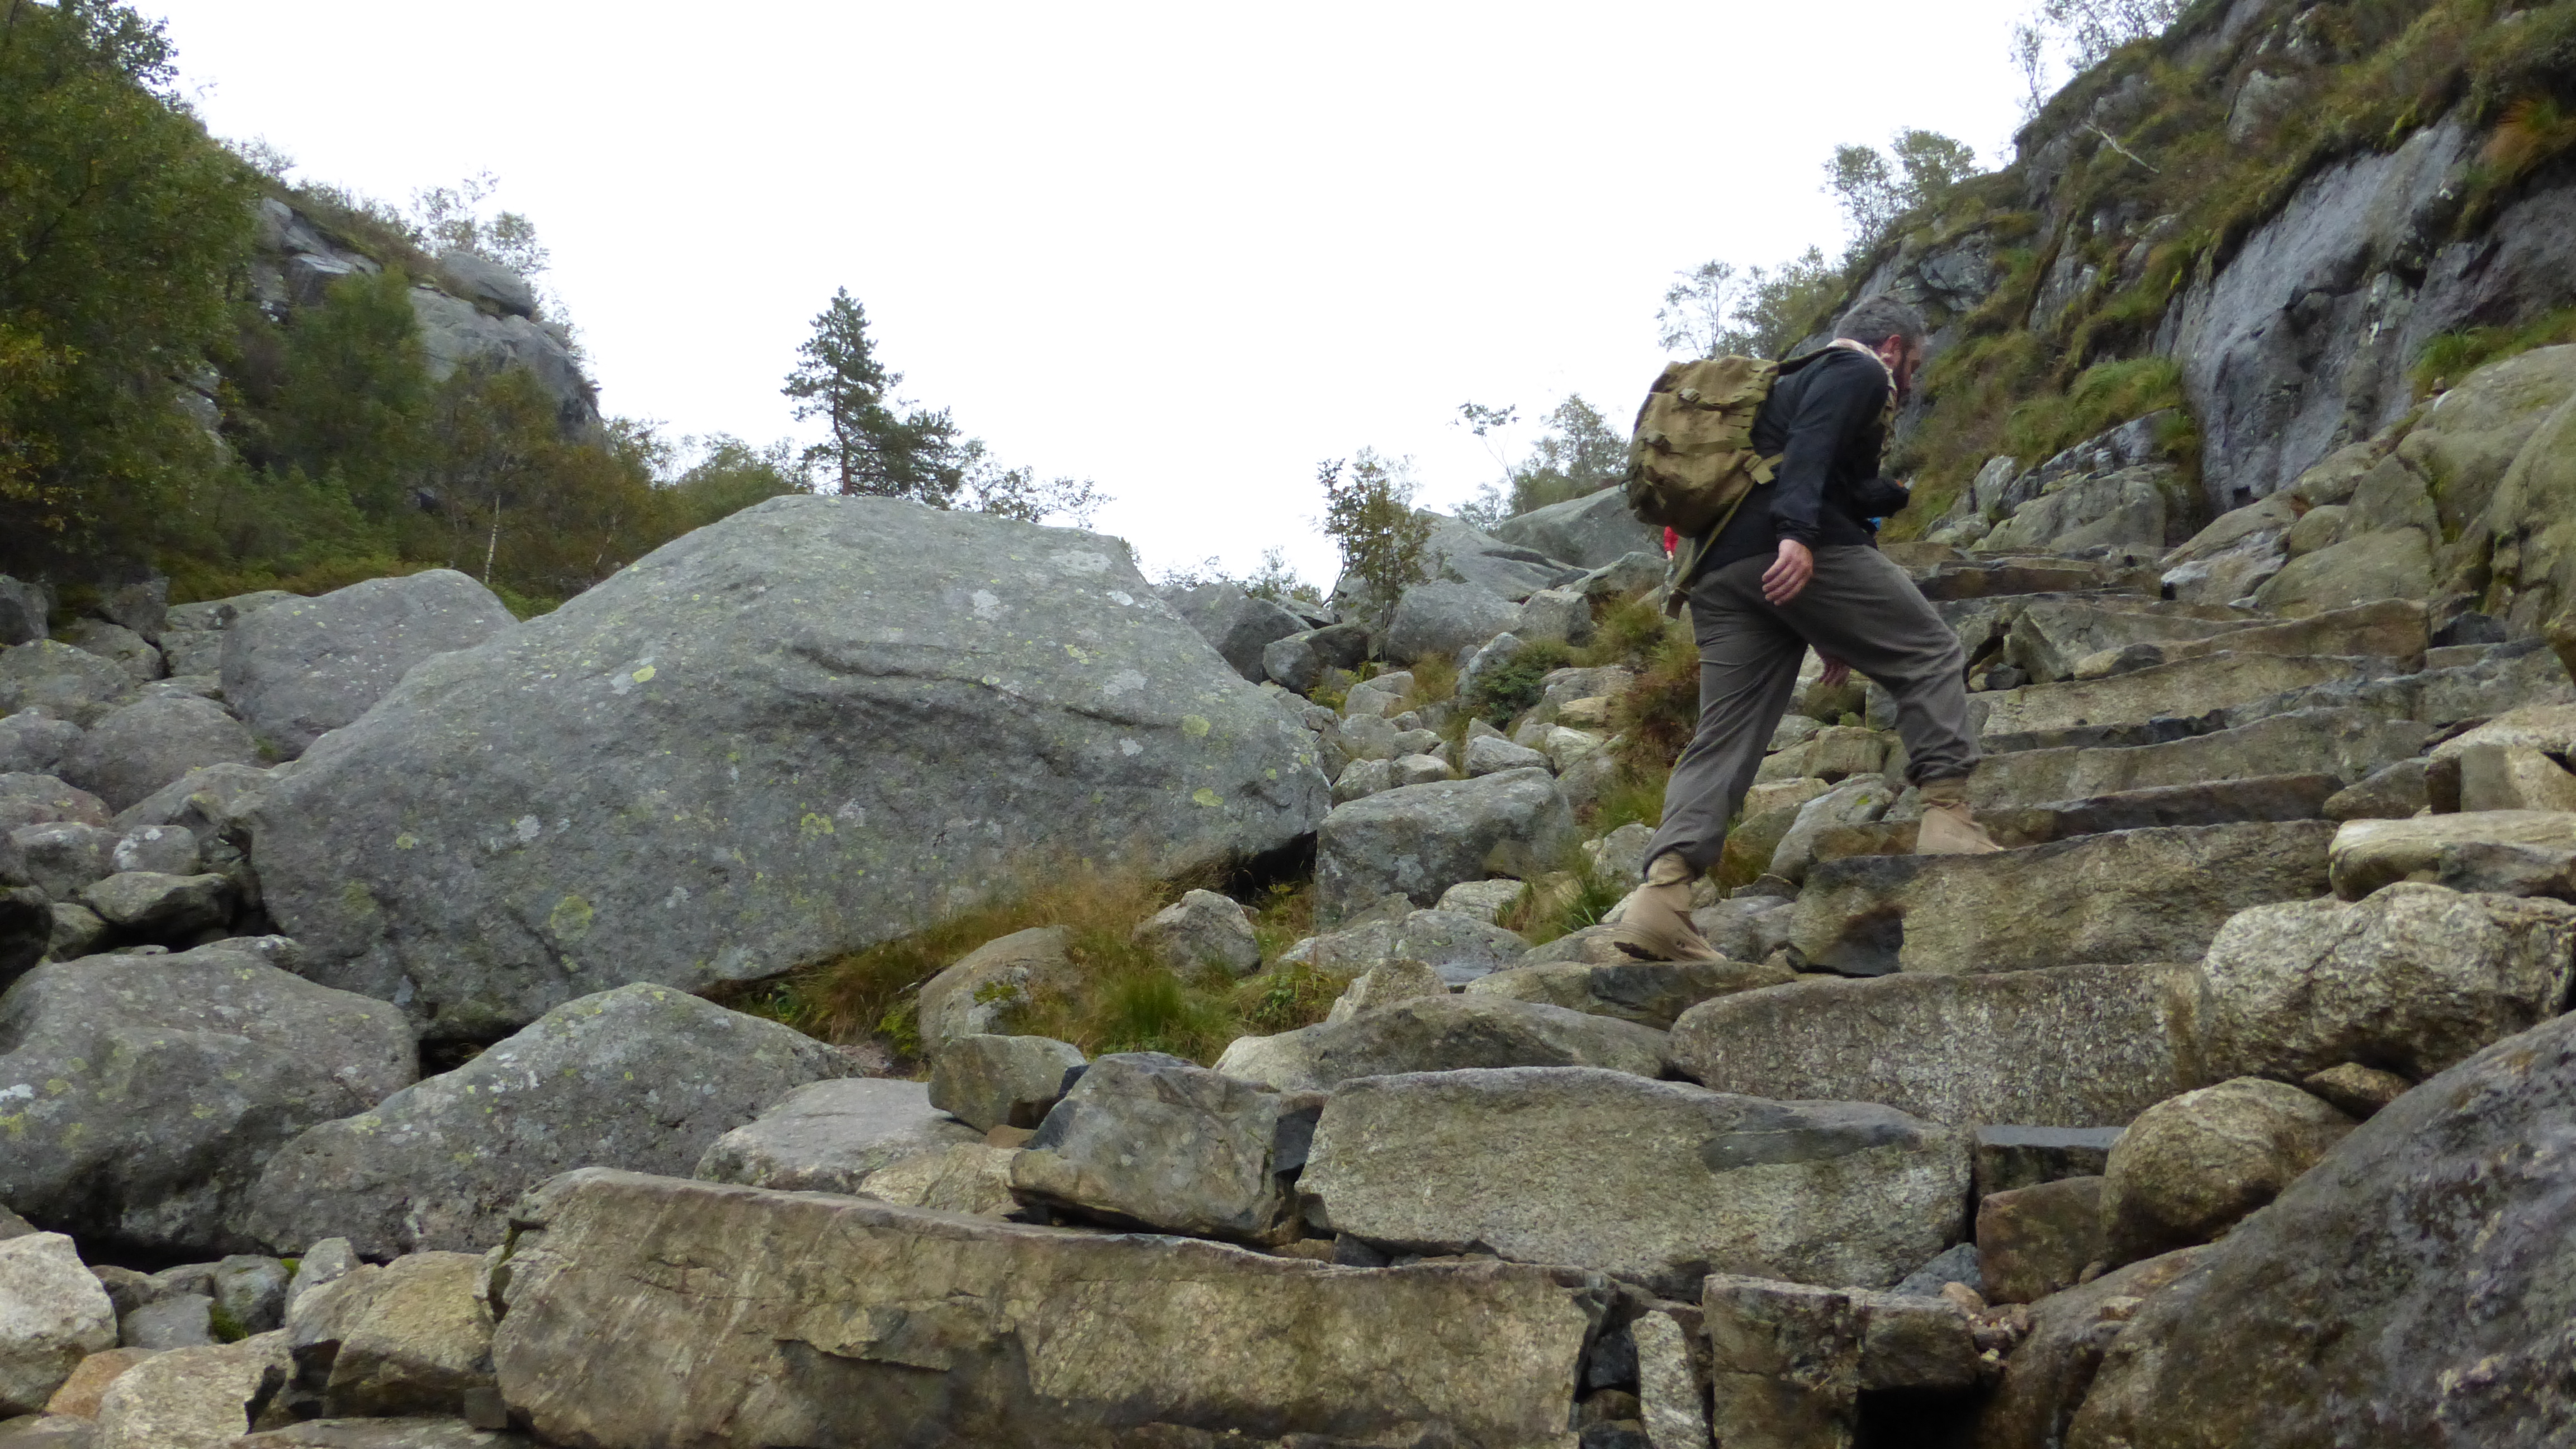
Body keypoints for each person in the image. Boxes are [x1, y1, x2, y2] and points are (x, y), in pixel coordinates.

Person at [1610, 295, 2001, 963]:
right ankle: (1947, 816)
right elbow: (1811, 454)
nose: (1910, 383)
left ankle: (1662, 898)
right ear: (1892, 347)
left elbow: (1823, 480)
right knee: (1931, 651)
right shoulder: (1858, 371)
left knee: (1724, 734)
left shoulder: (1780, 389)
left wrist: (1828, 625)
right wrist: (1796, 535)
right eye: (1913, 365)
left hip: (1717, 572)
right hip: (1784, 548)